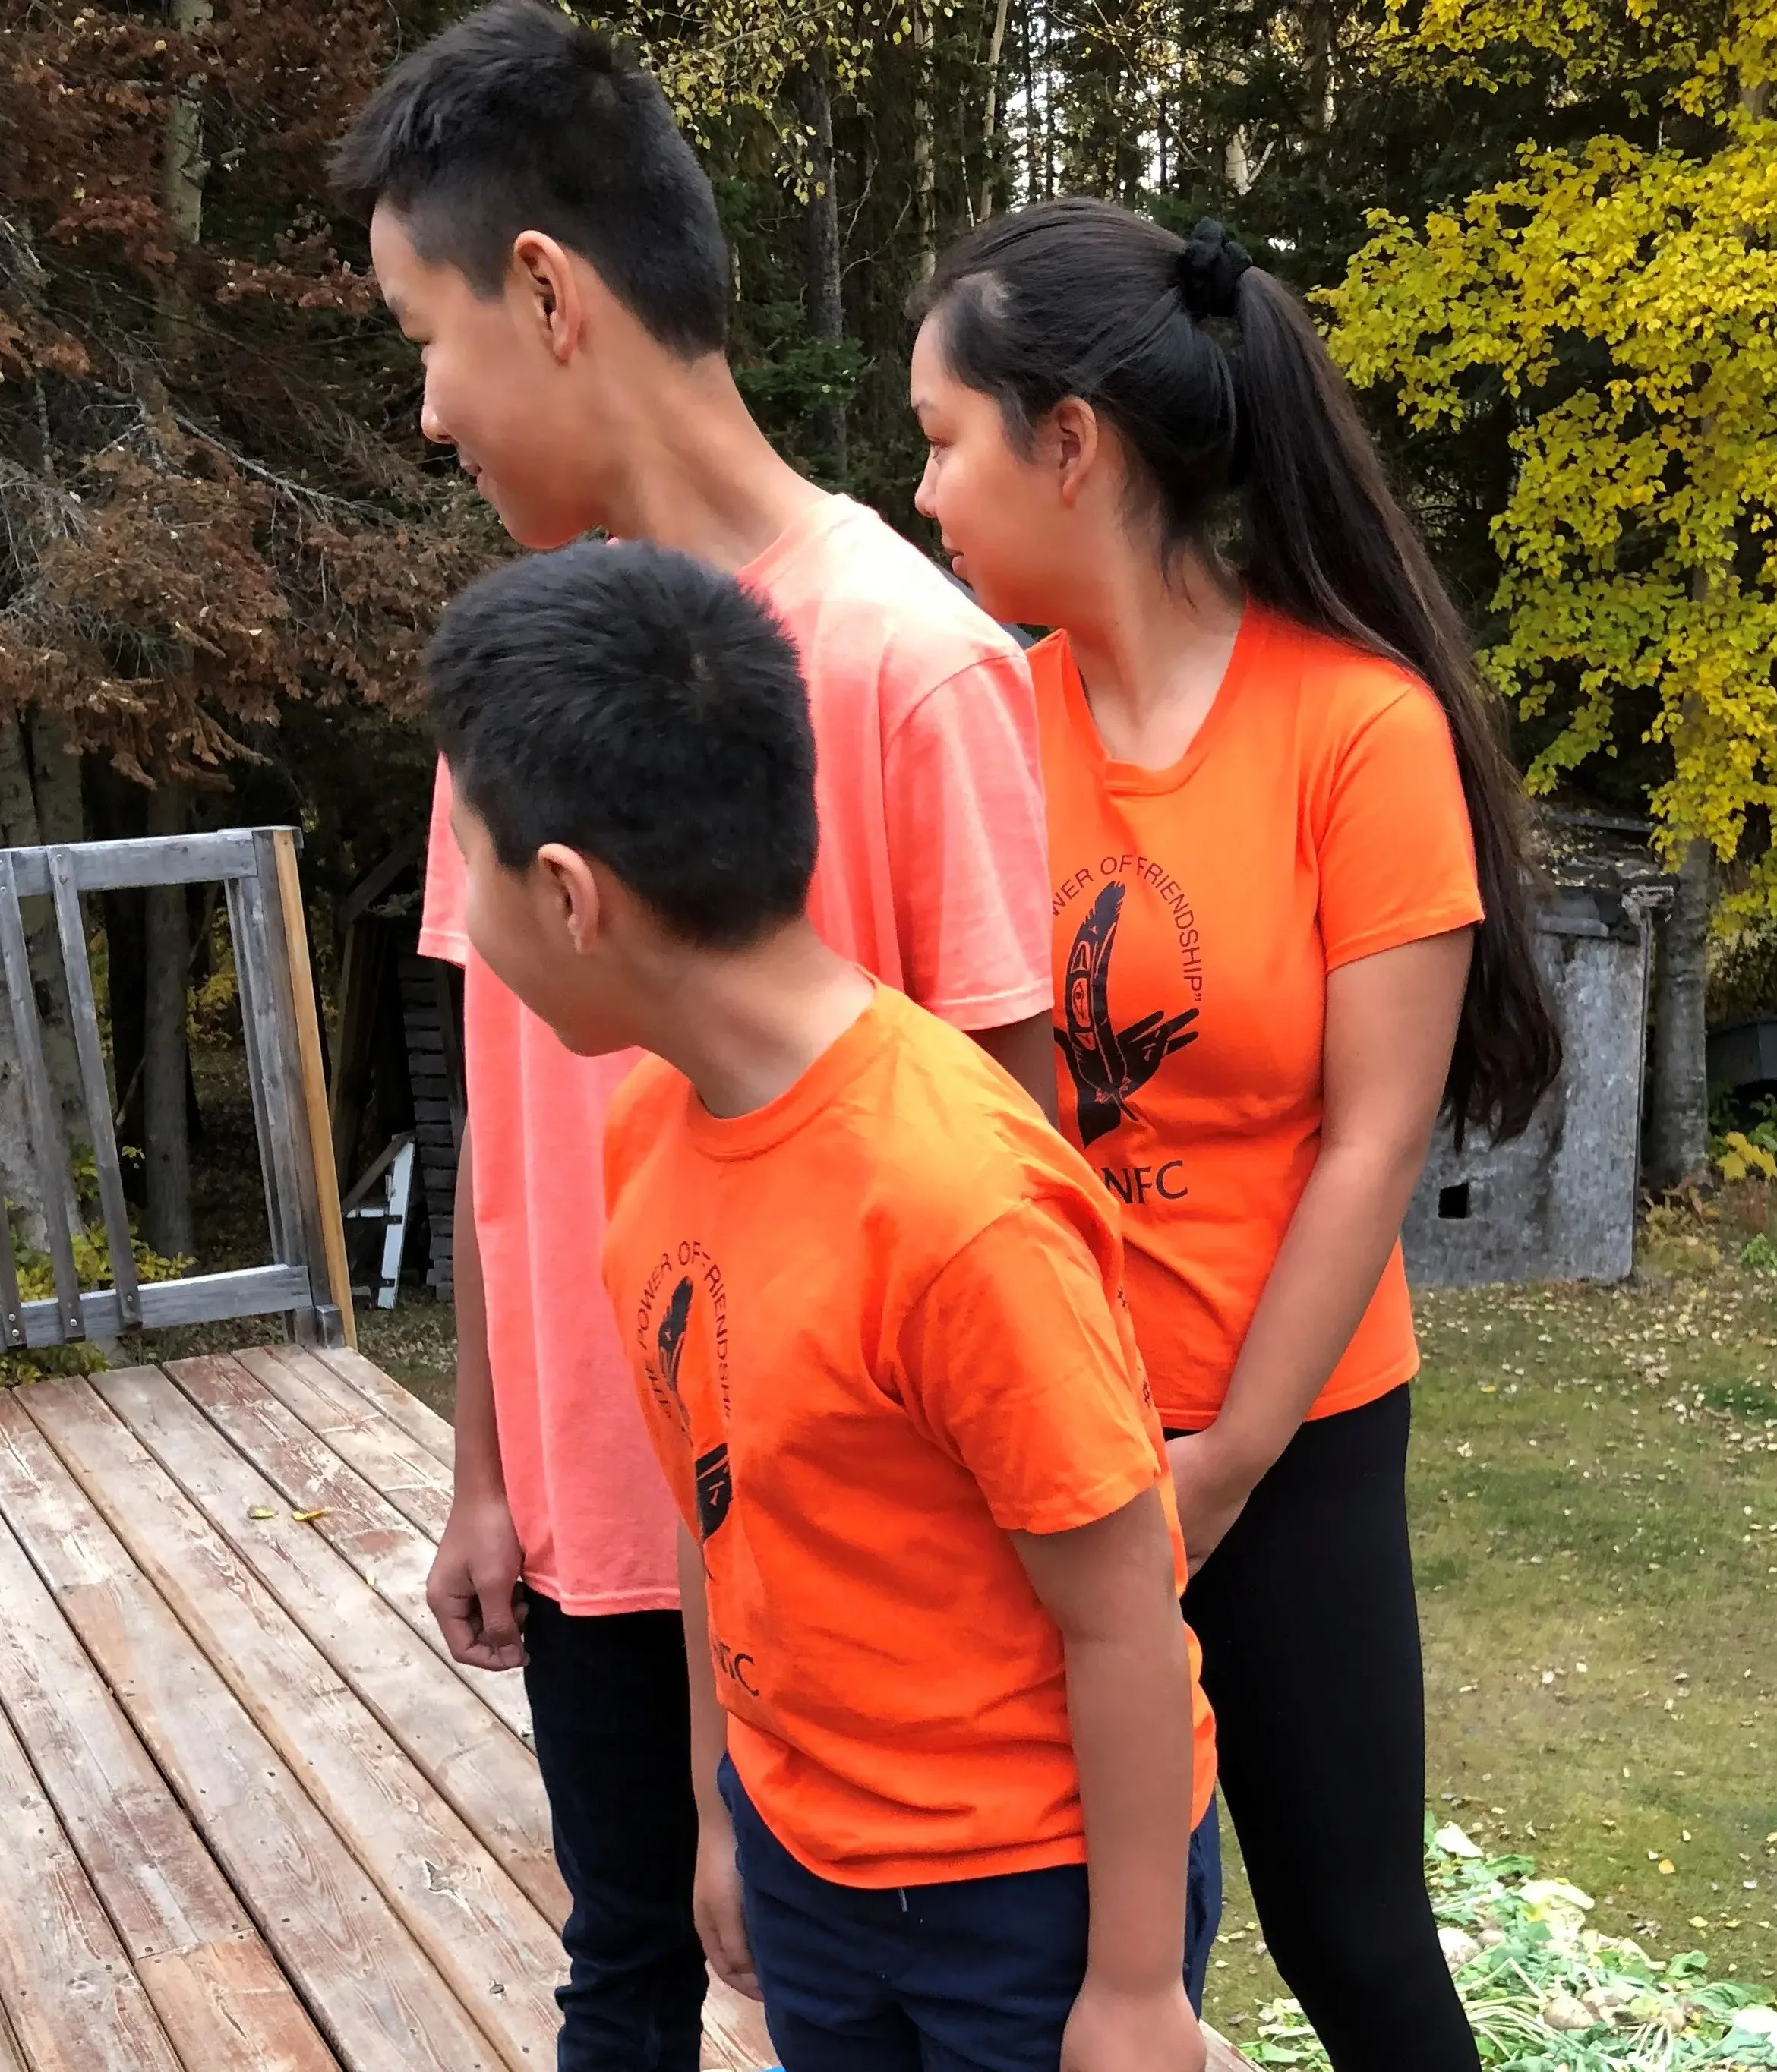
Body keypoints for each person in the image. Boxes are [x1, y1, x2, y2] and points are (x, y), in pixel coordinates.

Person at [330, 11, 1053, 2067]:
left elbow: (1020, 1181)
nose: (430, 416)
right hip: (589, 1511)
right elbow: (503, 1114)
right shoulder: (521, 678)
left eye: (425, 337)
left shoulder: (915, 674)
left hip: (847, 1574)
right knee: (621, 1975)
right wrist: (488, 1471)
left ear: (543, 293)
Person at [909, 198, 1564, 2072]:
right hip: (1029, 1435)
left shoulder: (1357, 730)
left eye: (943, 436)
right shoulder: (975, 724)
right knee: (1057, 1962)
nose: (925, 492)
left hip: (1286, 1443)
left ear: (1069, 441)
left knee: (1353, 1946)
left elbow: (1371, 1137)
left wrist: (1223, 1463)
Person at [423, 537, 1222, 2072]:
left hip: (1034, 1893)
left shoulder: (955, 1201)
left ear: (570, 897)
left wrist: (1132, 1991)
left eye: (470, 867)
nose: (466, 922)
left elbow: (1125, 1612)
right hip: (813, 1862)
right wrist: (724, 1811)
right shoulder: (649, 1133)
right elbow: (714, 1494)